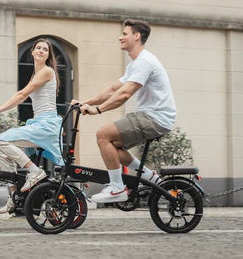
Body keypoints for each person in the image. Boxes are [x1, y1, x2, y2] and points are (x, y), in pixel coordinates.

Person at [74, 19, 176, 203]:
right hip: (150, 116)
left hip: (154, 117)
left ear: (136, 36)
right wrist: (85, 102)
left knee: (103, 134)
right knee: (113, 145)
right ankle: (147, 175)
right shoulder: (135, 64)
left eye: (124, 34)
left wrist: (97, 110)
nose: (120, 37)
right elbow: (114, 89)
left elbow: (125, 93)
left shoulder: (144, 62)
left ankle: (117, 188)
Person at [0, 38, 64, 213]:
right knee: (2, 153)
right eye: (38, 48)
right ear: (33, 52)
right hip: (39, 123)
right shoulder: (37, 74)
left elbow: (21, 95)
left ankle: (34, 171)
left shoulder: (46, 71)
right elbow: (22, 96)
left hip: (47, 125)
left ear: (48, 55)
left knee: (1, 142)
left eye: (45, 49)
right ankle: (14, 196)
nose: (41, 51)